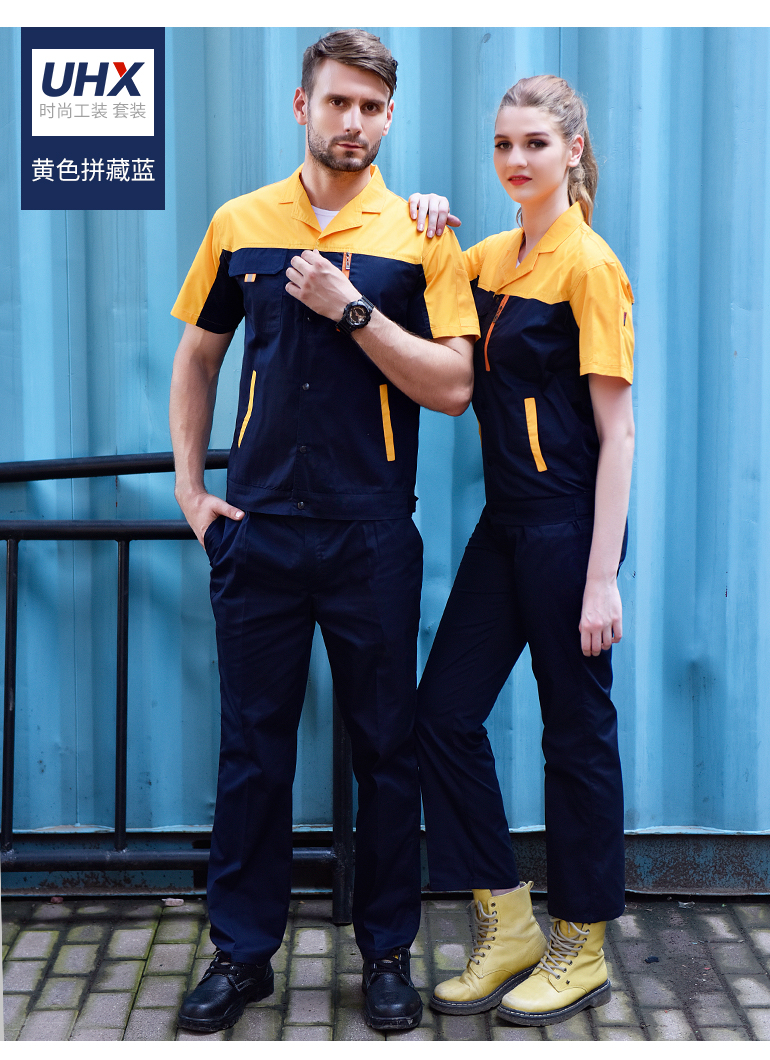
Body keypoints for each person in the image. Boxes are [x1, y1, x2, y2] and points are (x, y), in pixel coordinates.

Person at [168, 29, 478, 1034]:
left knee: (385, 750)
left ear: (390, 118)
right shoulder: (240, 223)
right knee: (251, 752)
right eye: (338, 101)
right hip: (258, 532)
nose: (354, 121)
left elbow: (454, 386)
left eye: (372, 107)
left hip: (371, 535)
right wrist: (192, 494)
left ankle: (385, 954)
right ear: (302, 106)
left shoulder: (424, 233)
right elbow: (198, 358)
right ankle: (240, 956)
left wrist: (351, 311)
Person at [408, 74, 635, 1027]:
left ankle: (582, 941)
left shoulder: (590, 265)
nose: (516, 160)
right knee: (441, 714)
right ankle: (506, 921)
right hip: (505, 525)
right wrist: (424, 214)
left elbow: (618, 433)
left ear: (572, 150)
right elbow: (429, 282)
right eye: (504, 144)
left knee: (574, 736)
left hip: (568, 529)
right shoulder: (493, 256)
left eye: (535, 143)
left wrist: (600, 578)